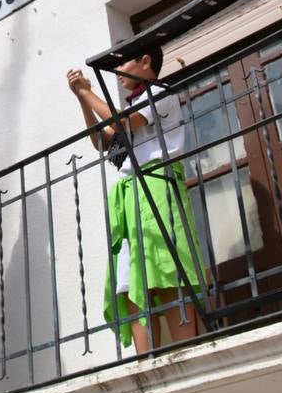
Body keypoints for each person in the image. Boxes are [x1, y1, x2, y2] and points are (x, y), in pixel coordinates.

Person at [66, 46, 204, 355]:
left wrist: (87, 92)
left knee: (167, 269)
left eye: (124, 62)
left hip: (156, 183)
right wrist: (82, 98)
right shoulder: (137, 103)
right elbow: (102, 141)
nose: (118, 71)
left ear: (145, 62)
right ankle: (146, 360)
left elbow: (124, 121)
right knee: (131, 280)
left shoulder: (161, 92)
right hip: (130, 192)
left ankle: (189, 352)